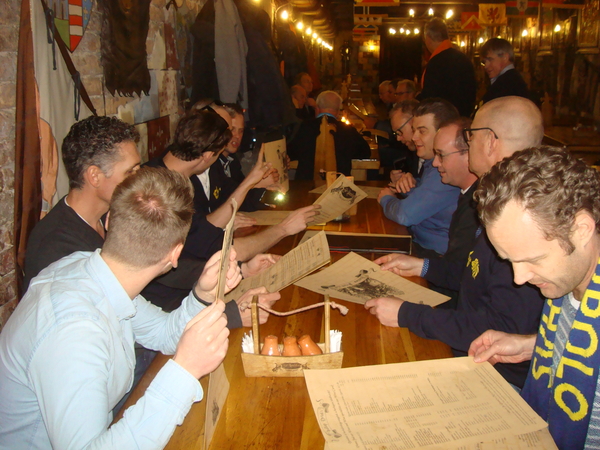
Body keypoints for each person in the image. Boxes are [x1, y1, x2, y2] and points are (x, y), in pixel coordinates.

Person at [0, 167, 252, 449]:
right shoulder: (74, 330)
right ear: (176, 254)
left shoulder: (94, 270)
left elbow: (164, 333)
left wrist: (202, 293)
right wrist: (184, 371)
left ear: (110, 220)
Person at [368, 96, 546, 387]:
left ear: (489, 141)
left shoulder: (521, 220)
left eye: (471, 136)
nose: (467, 142)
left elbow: (499, 328)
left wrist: (407, 314)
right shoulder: (495, 198)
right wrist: (421, 266)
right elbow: (471, 273)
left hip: (496, 377)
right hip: (469, 348)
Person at [469, 146, 600, 448]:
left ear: (581, 229)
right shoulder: (571, 283)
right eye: (508, 260)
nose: (519, 278)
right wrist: (534, 345)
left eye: (533, 259)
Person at [23, 116, 141, 290]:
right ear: (95, 176)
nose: (139, 180)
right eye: (130, 172)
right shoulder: (57, 248)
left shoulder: (112, 214)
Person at [377, 98, 460, 257]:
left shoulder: (444, 170)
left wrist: (386, 198)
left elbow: (405, 215)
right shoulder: (432, 164)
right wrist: (408, 185)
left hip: (434, 255)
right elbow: (427, 197)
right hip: (421, 245)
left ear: (442, 133)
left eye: (422, 131)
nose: (414, 137)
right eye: (414, 131)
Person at [287, 90, 371, 180]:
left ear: (317, 108)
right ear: (338, 111)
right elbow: (366, 153)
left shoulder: (302, 128)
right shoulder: (348, 131)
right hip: (339, 185)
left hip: (306, 185)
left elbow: (289, 152)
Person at [418, 18, 477, 117]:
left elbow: (430, 98)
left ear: (427, 38)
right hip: (463, 117)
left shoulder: (436, 63)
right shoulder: (464, 58)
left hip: (443, 119)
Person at [480, 38, 529, 104]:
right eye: (484, 62)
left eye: (490, 59)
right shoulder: (511, 79)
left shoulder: (508, 85)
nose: (486, 66)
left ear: (505, 57)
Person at [388, 99, 420, 179]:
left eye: (400, 131)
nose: (398, 139)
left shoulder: (432, 155)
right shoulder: (413, 154)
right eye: (396, 133)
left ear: (414, 121)